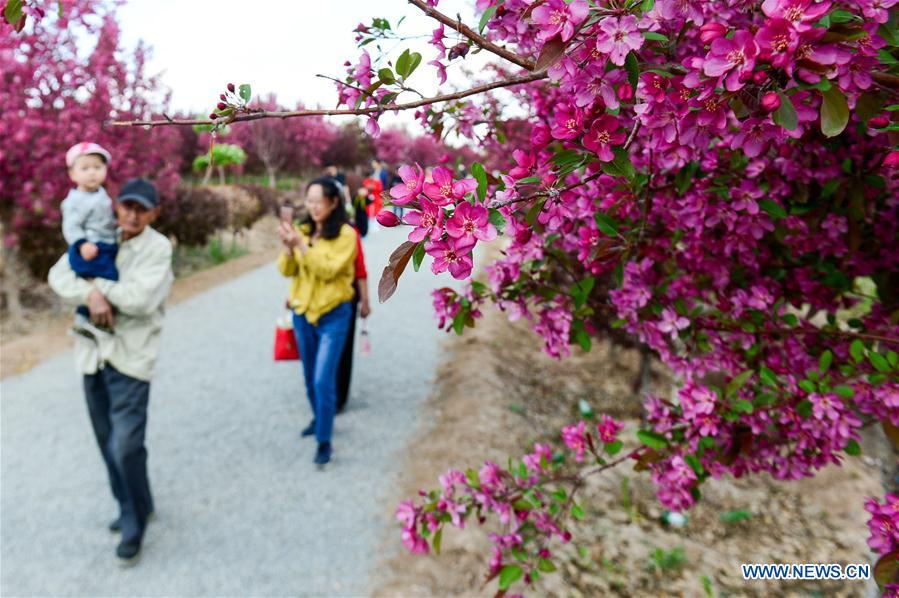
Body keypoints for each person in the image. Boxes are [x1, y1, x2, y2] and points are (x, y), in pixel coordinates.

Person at [47, 178, 173, 566]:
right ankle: (134, 504)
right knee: (107, 441)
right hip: (92, 357)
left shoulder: (158, 247)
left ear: (154, 213)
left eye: (141, 209)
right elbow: (58, 275)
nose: (132, 215)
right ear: (116, 207)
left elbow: (138, 299)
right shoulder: (99, 234)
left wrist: (94, 285)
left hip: (131, 360)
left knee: (126, 445)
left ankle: (135, 523)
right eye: (126, 207)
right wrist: (90, 294)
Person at [278, 177, 357, 467]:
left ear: (333, 202)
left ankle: (324, 440)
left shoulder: (347, 235)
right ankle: (319, 418)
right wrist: (289, 248)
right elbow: (286, 270)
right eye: (309, 201)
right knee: (310, 378)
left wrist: (301, 244)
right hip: (303, 314)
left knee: (324, 379)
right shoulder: (304, 229)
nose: (312, 207)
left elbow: (328, 270)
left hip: (333, 314)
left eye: (318, 201)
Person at [60, 142, 117, 339]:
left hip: (106, 245)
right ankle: (87, 321)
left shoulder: (102, 195)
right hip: (90, 248)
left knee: (107, 280)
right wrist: (82, 243)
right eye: (85, 168)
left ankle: (86, 322)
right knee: (105, 280)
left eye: (97, 167)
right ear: (72, 174)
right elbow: (71, 227)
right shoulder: (74, 201)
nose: (92, 173)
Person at [336, 229, 371, 413]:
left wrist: (365, 301)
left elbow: (360, 270)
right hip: (316, 301)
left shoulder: (350, 233)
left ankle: (339, 397)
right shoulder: (311, 230)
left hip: (346, 300)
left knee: (344, 350)